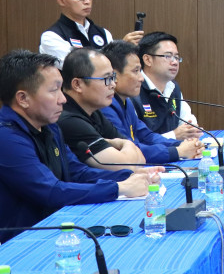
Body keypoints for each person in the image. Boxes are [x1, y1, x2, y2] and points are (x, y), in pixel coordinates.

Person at [0, 50, 157, 242]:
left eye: (61, 89)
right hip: (20, 243)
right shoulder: (6, 137)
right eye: (54, 90)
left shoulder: (50, 127)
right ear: (23, 99)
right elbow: (51, 191)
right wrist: (119, 188)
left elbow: (77, 172)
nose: (63, 99)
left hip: (56, 229)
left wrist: (131, 175)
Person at [100, 41, 204, 162]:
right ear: (114, 76)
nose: (141, 78)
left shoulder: (125, 102)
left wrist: (182, 145)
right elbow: (130, 151)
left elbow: (147, 136)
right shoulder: (106, 106)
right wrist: (177, 151)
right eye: (135, 71)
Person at [57, 48, 146, 170]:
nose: (113, 84)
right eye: (106, 79)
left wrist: (126, 146)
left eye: (113, 77)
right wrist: (126, 143)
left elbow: (141, 160)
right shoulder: (69, 120)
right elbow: (127, 166)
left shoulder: (94, 113)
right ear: (77, 84)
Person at [39, 0, 143, 67]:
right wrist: (117, 50)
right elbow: (79, 67)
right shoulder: (51, 37)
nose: (87, 1)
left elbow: (114, 68)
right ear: (61, 0)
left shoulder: (103, 33)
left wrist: (123, 49)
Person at [132, 32, 200, 140]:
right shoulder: (133, 89)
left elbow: (188, 122)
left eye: (176, 57)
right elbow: (135, 141)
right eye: (168, 56)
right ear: (148, 60)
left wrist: (191, 132)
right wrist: (174, 135)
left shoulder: (173, 87)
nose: (175, 62)